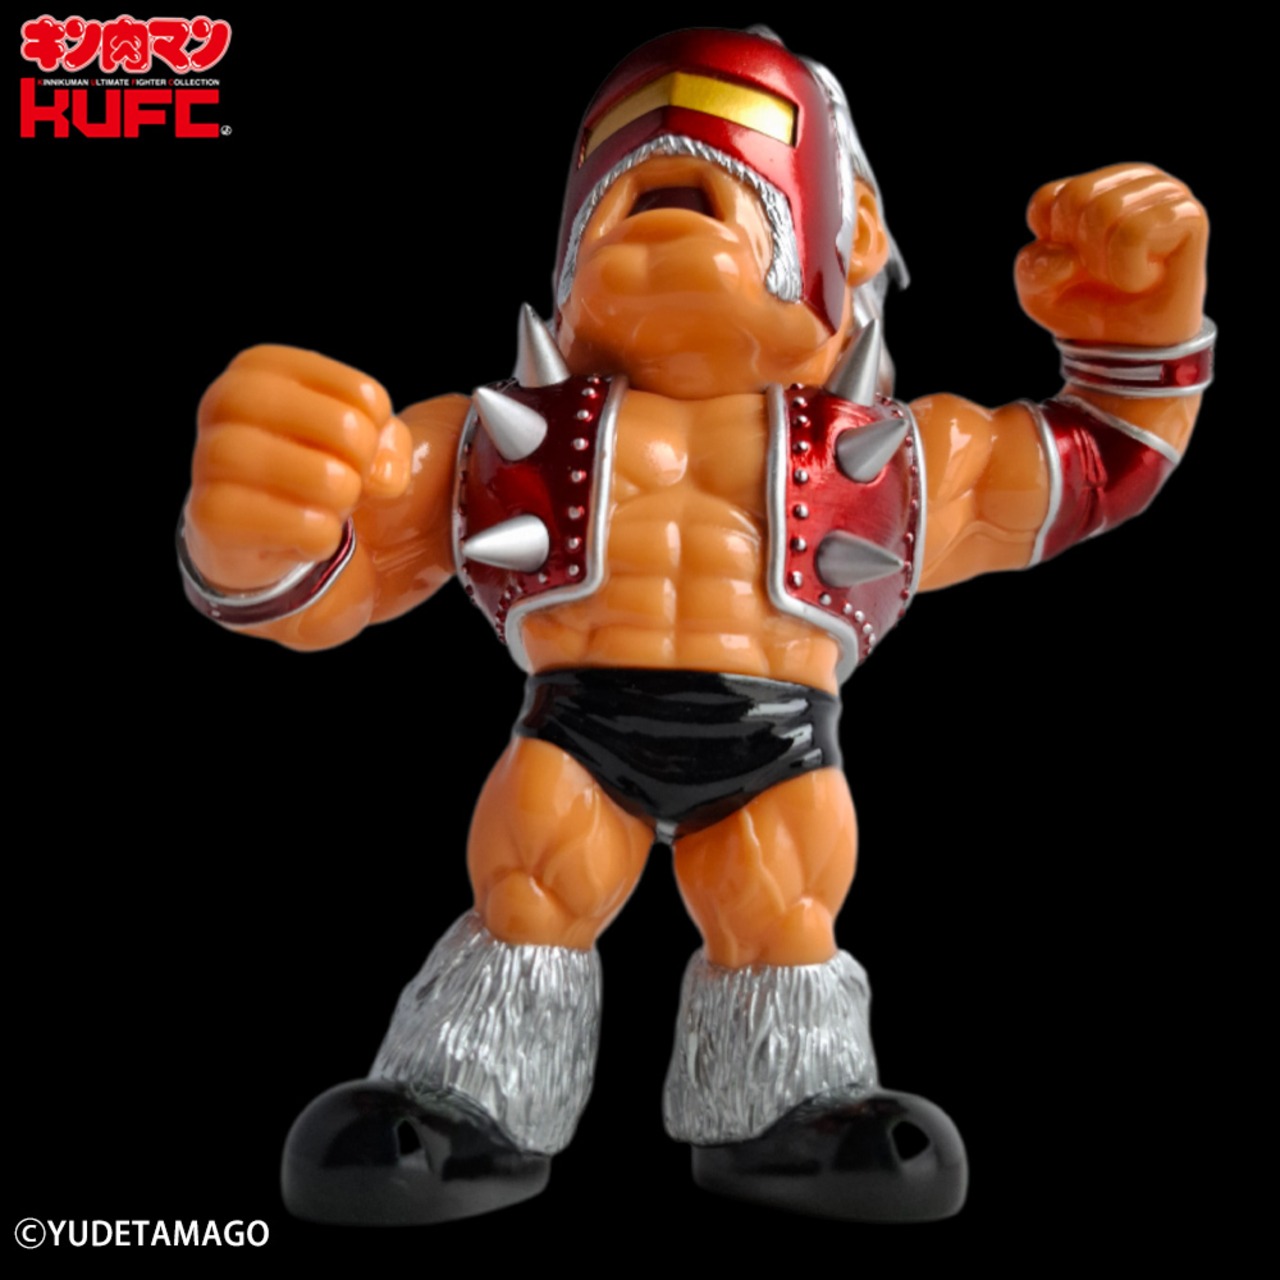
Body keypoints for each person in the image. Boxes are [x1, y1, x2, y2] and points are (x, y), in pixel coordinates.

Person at [178, 26, 1212, 1224]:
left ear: (847, 235)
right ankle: (465, 1098)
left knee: (781, 914)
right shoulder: (494, 438)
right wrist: (253, 533)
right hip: (577, 727)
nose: (668, 158)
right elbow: (337, 579)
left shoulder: (896, 457)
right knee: (530, 889)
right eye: (619, 160)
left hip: (780, 741)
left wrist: (1135, 341)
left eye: (736, 144)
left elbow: (1101, 465)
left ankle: (788, 1109)